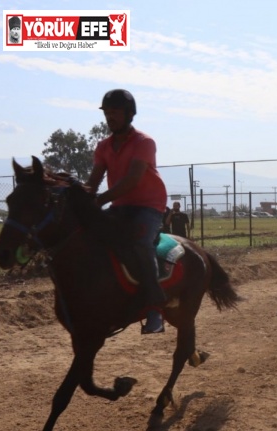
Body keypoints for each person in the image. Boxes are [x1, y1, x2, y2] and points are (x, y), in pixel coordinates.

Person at [85, 89, 167, 334]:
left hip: (148, 207)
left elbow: (132, 180)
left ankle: (155, 307)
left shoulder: (144, 143)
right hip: (120, 207)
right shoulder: (103, 147)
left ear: (130, 114)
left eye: (115, 113)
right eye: (107, 113)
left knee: (141, 243)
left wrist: (100, 200)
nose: (110, 117)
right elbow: (94, 180)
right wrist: (80, 196)